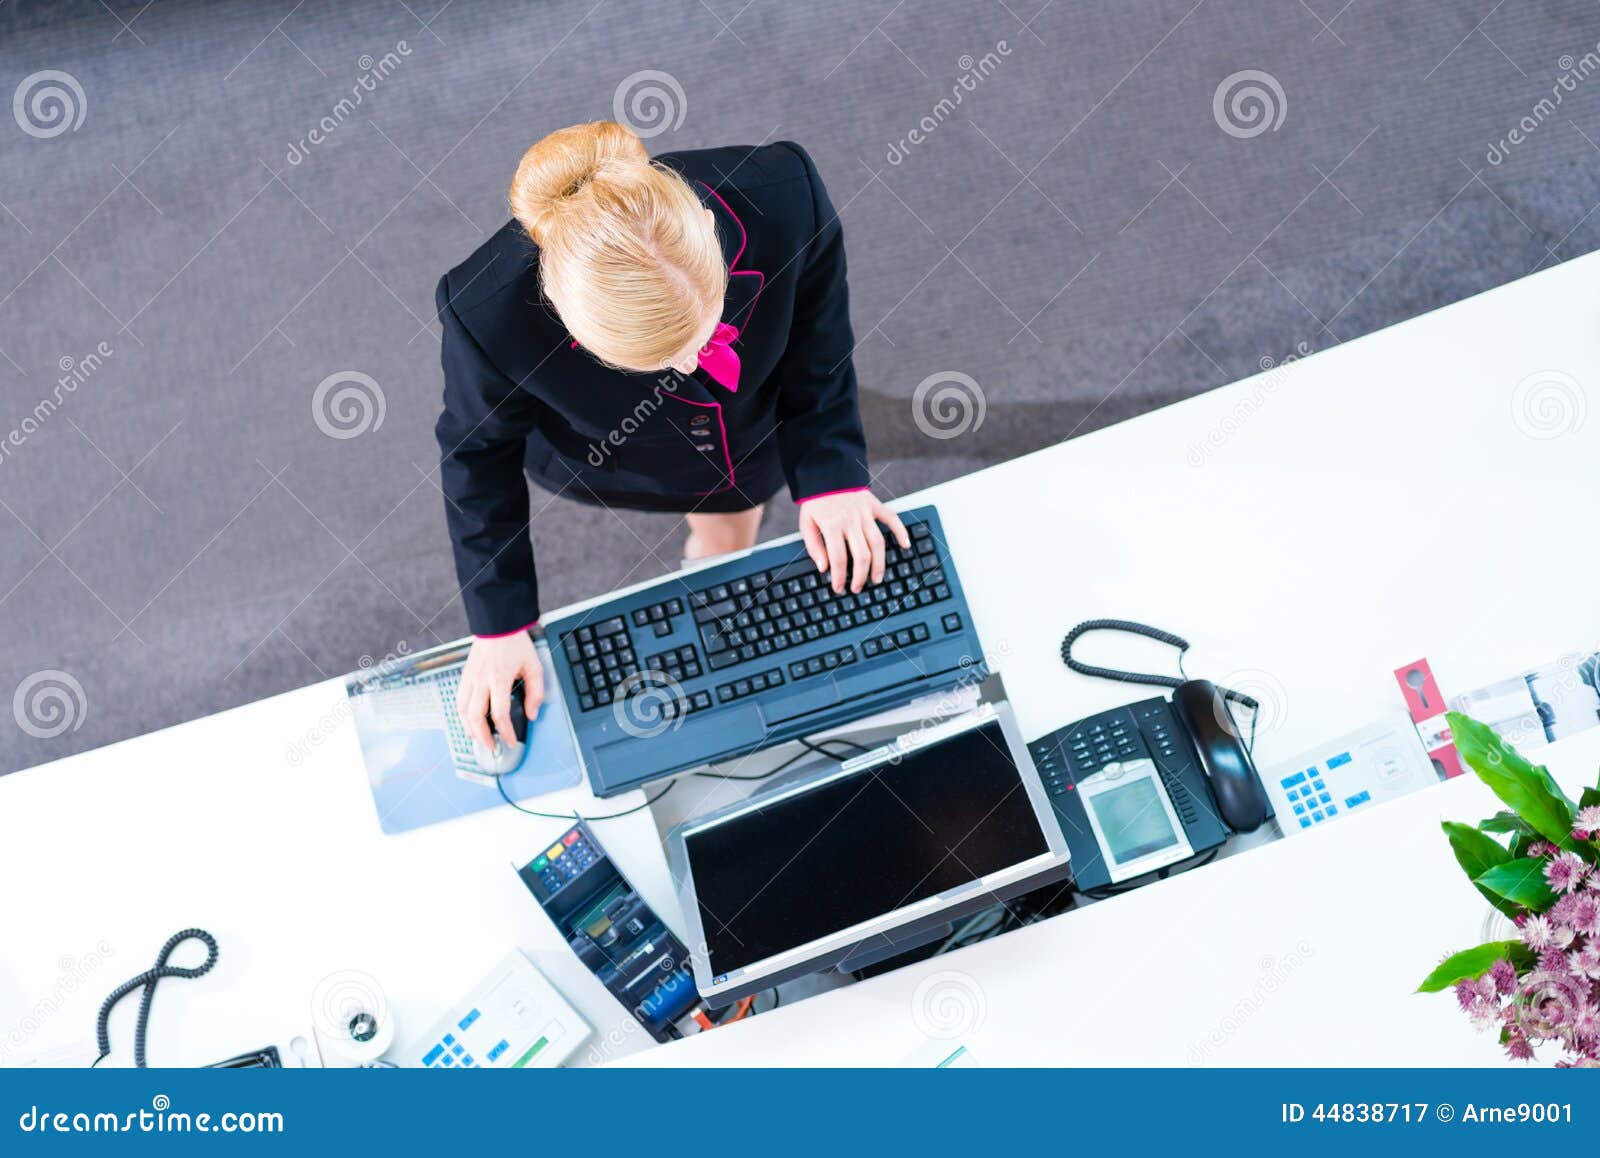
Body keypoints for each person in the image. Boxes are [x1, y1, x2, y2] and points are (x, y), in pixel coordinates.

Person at [435, 121, 905, 750]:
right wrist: (498, 626)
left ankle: (712, 555)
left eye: (702, 335)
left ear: (708, 234)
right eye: (659, 358)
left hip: (749, 431)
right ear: (561, 307)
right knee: (714, 512)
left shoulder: (787, 192)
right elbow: (476, 454)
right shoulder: (483, 312)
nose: (690, 366)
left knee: (730, 521)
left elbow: (819, 340)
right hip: (615, 453)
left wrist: (831, 474)